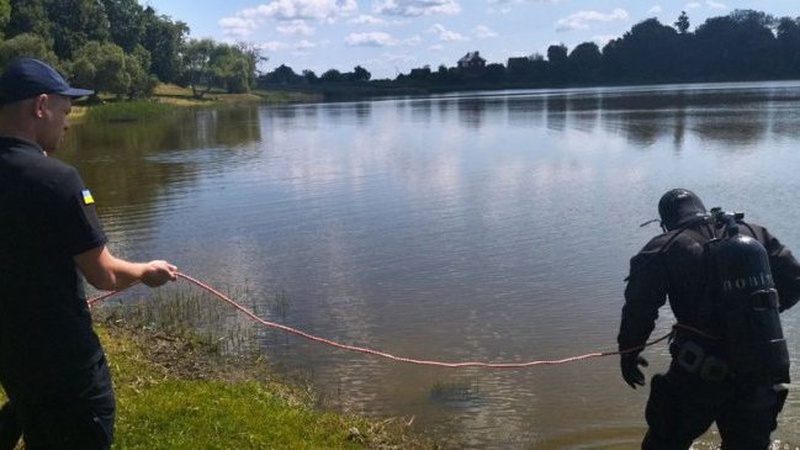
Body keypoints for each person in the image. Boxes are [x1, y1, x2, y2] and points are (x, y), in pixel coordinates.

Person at [0, 57, 179, 449]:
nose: (66, 124)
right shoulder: (59, 180)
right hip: (67, 363)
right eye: (65, 112)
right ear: (41, 106)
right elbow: (104, 275)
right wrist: (147, 271)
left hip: (12, 355)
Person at [618, 188, 800, 449]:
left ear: (665, 222)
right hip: (759, 368)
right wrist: (755, 316)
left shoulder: (664, 247)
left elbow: (639, 309)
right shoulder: (753, 232)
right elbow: (794, 281)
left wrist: (629, 352)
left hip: (698, 373)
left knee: (663, 443)